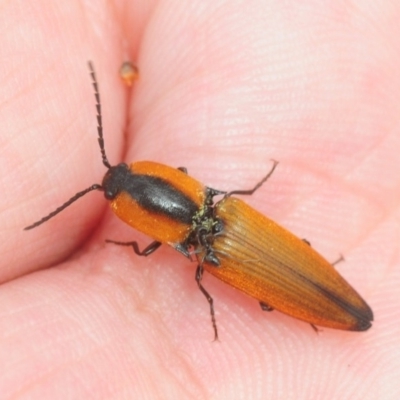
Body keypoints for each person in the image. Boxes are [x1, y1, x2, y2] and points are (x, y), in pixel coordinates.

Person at [0, 2, 395, 399]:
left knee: (262, 294)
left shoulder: (196, 249)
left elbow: (144, 251)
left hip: (225, 255)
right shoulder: (224, 203)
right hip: (237, 233)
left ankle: (327, 305)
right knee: (280, 277)